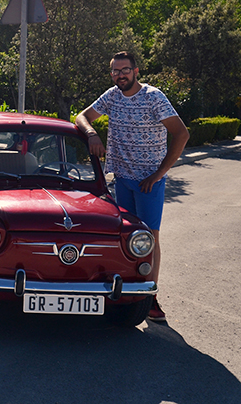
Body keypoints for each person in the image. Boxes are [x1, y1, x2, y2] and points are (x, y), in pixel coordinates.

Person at [76, 51, 189, 323]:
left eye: (124, 70)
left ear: (136, 71)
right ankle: (126, 291)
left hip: (149, 182)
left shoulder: (153, 97)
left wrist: (159, 173)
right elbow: (81, 116)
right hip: (122, 179)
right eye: (115, 71)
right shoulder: (112, 96)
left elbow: (182, 134)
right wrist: (91, 133)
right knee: (124, 237)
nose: (120, 75)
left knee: (149, 237)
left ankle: (150, 297)